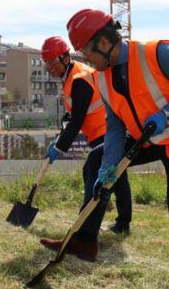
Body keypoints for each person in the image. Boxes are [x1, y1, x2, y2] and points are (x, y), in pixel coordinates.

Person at [65, 9, 169, 289]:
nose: (84, 59)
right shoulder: (101, 77)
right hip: (148, 137)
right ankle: (86, 240)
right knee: (96, 161)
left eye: (86, 52)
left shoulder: (158, 54)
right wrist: (109, 168)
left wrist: (166, 113)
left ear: (105, 43)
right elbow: (115, 124)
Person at [38, 36, 133, 261]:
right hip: (106, 130)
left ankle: (85, 236)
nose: (49, 67)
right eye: (46, 63)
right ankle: (121, 224)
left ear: (64, 57)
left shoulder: (78, 79)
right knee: (117, 178)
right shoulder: (74, 74)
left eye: (53, 62)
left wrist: (59, 147)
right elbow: (77, 112)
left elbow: (77, 121)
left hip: (107, 132)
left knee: (96, 175)